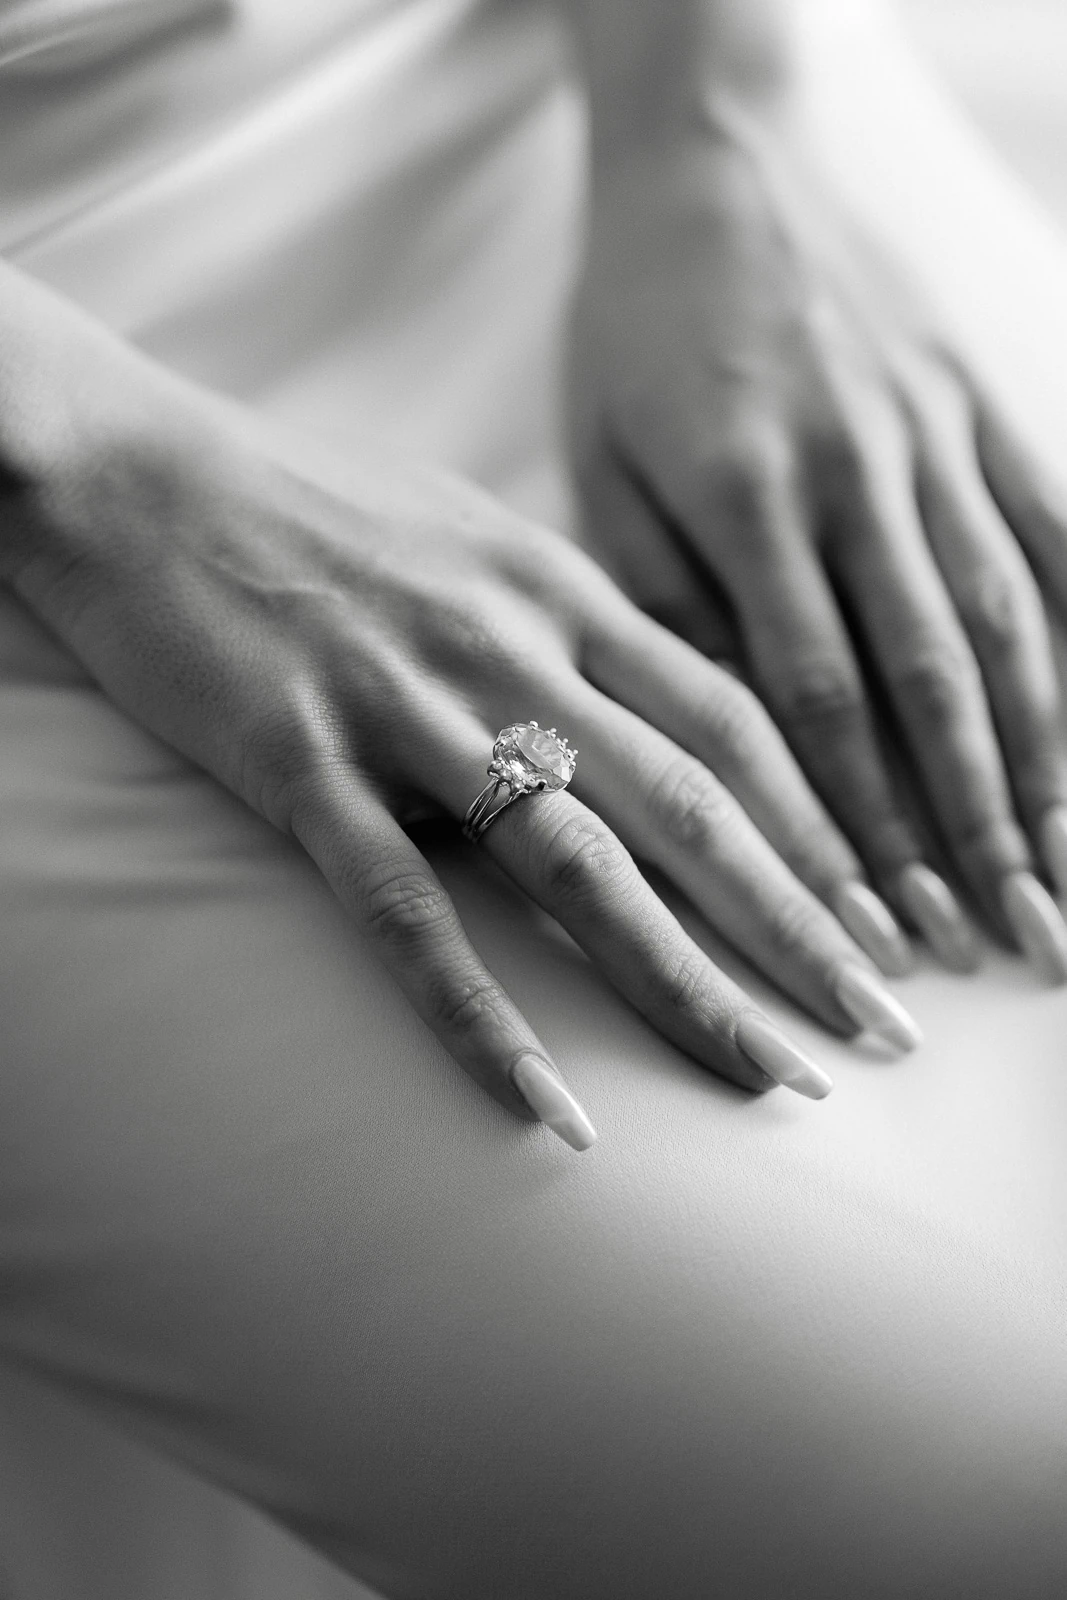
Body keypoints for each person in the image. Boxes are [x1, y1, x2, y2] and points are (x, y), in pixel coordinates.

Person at [2, 0, 1067, 1595]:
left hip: (591, 110)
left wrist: (714, 124)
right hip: (65, 441)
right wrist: (89, 457)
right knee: (979, 1483)